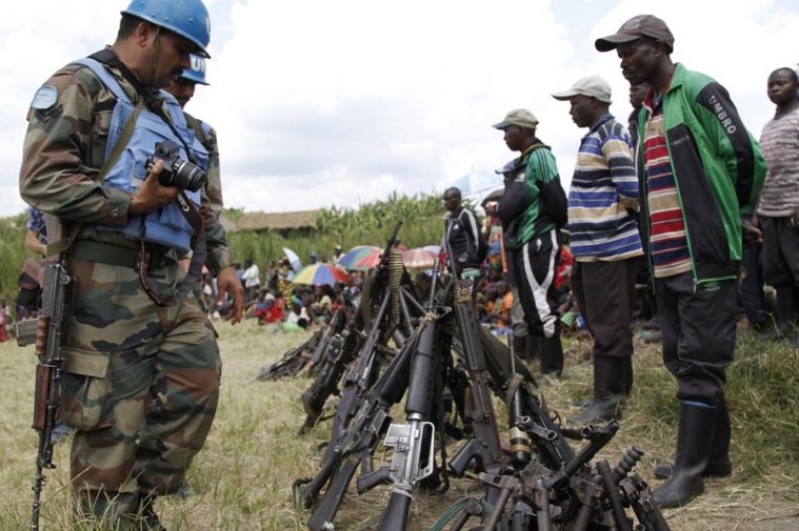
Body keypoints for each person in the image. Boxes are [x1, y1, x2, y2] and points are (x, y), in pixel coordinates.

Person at [18, 0, 245, 527]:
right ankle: (107, 515)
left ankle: (144, 498)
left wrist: (223, 261)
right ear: (146, 33)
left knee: (198, 378)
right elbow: (40, 181)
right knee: (111, 409)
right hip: (103, 275)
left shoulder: (166, 110)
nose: (185, 65)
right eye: (182, 49)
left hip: (164, 277)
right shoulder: (79, 84)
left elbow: (201, 203)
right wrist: (129, 204)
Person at [596, 14, 766, 508]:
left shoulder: (698, 91)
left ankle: (689, 473)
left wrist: (734, 215)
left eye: (631, 50)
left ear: (660, 46)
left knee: (700, 362)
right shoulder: (648, 110)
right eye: (619, 54)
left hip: (705, 254)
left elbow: (746, 154)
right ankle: (714, 459)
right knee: (681, 357)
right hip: (667, 259)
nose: (624, 61)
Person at [551, 75, 643, 423]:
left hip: (608, 247)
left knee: (608, 324)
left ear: (594, 101)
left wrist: (611, 225)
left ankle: (606, 401)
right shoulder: (592, 137)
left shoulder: (611, 133)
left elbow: (630, 188)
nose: (571, 110)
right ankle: (618, 391)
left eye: (575, 103)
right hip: (591, 250)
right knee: (605, 320)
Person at [492, 109, 568, 379]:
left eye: (507, 130)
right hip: (524, 242)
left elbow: (556, 197)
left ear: (522, 130)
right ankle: (539, 363)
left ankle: (552, 370)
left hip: (539, 239)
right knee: (530, 304)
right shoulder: (522, 163)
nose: (504, 137)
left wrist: (556, 228)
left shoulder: (540, 156)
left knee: (541, 302)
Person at [753, 67, 799, 343]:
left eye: (780, 83)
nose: (774, 88)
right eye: (770, 84)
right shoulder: (768, 126)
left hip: (793, 208)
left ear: (795, 85)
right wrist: (757, 210)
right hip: (769, 208)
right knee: (777, 272)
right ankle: (784, 324)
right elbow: (763, 170)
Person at [162, 54, 224, 216]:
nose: (189, 93)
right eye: (182, 83)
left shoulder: (203, 134)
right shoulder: (133, 119)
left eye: (194, 85)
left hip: (190, 233)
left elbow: (213, 202)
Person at [441, 186, 486, 278]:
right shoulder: (448, 219)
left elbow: (479, 240)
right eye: (444, 200)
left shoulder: (466, 216)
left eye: (448, 200)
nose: (446, 203)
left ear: (458, 199)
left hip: (468, 268)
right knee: (454, 292)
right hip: (454, 268)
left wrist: (474, 260)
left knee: (465, 293)